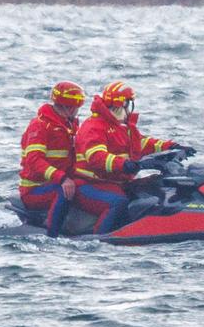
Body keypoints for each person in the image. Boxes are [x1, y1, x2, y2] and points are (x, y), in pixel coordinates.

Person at [74, 81, 193, 233]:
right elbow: (97, 157)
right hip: (91, 183)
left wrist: (172, 147)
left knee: (152, 188)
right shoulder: (94, 126)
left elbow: (143, 143)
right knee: (118, 202)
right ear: (122, 104)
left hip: (115, 181)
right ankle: (100, 238)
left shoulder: (123, 127)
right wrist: (124, 164)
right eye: (128, 103)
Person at [18, 80, 86, 237]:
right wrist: (62, 179)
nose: (78, 111)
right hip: (35, 188)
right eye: (77, 108)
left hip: (56, 182)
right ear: (69, 107)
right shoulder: (40, 125)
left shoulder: (70, 125)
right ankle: (52, 236)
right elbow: (34, 160)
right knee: (65, 192)